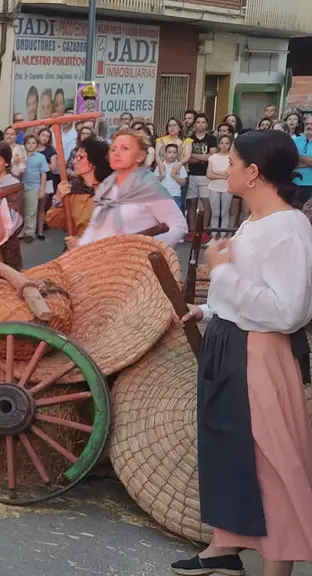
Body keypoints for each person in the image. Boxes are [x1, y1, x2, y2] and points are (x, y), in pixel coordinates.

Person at [172, 130, 312, 576]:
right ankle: (225, 548)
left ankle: (276, 569)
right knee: (230, 450)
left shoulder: (289, 228)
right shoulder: (255, 221)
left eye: (231, 162)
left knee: (271, 462)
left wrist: (221, 276)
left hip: (259, 355)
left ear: (253, 172)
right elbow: (250, 290)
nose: (224, 168)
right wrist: (210, 308)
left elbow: (287, 311)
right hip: (232, 343)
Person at [74, 128, 187, 247]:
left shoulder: (149, 187)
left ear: (140, 156)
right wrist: (80, 250)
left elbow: (178, 226)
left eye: (125, 148)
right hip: (103, 255)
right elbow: (94, 229)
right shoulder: (106, 188)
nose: (117, 153)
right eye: (113, 149)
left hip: (138, 256)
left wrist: (147, 248)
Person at [46, 137, 110, 239]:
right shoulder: (74, 190)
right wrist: (58, 200)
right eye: (76, 157)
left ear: (94, 162)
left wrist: (81, 242)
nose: (74, 161)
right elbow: (54, 223)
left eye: (80, 157)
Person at [185, 115, 219, 235]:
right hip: (191, 174)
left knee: (206, 204)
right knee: (192, 203)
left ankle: (203, 230)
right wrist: (203, 157)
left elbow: (211, 156)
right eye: (198, 122)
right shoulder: (189, 139)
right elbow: (187, 158)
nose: (200, 124)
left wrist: (193, 155)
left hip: (206, 175)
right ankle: (192, 229)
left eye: (203, 122)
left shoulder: (211, 139)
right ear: (195, 124)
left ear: (207, 124)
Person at [21, 135, 49, 242]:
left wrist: (42, 189)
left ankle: (30, 233)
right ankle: (21, 232)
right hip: (20, 186)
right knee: (21, 210)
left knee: (31, 211)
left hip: (34, 186)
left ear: (37, 145)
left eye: (33, 143)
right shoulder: (21, 155)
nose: (30, 145)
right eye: (28, 143)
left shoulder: (40, 157)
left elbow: (43, 174)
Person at [207, 134, 234, 231]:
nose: (224, 146)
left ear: (230, 145)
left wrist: (216, 172)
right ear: (218, 144)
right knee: (215, 213)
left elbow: (230, 174)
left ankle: (223, 234)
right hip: (214, 187)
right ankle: (214, 235)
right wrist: (224, 175)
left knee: (224, 213)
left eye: (227, 143)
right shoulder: (213, 157)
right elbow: (209, 175)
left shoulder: (232, 157)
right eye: (222, 143)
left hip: (227, 188)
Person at [157, 143, 188, 212]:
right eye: (169, 152)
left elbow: (183, 182)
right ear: (165, 153)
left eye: (174, 153)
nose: (172, 155)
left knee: (175, 216)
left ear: (177, 154)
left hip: (175, 195)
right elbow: (154, 181)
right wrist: (162, 176)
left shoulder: (179, 166)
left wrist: (174, 176)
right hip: (162, 196)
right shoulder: (160, 166)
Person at [294, 117, 312, 206]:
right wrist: (308, 162)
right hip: (294, 183)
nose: (309, 126)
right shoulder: (295, 140)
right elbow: (290, 160)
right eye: (307, 124)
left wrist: (298, 156)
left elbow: (294, 157)